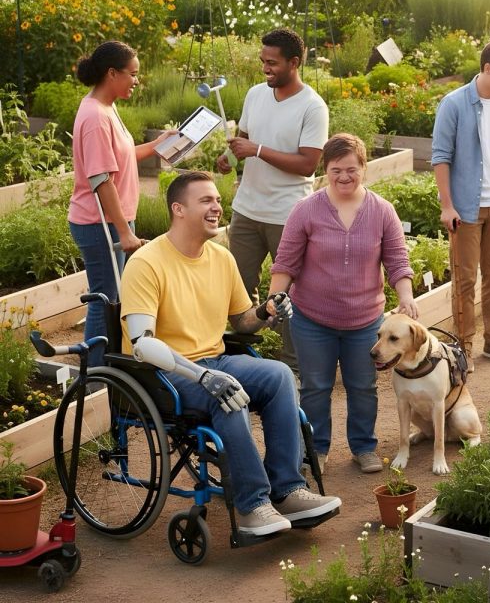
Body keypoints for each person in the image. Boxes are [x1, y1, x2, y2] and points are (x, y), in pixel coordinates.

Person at [120, 170, 342, 537]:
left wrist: (266, 311)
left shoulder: (221, 258)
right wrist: (202, 375)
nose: (217, 207)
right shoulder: (147, 262)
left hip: (216, 359)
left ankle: (288, 490)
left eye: (218, 200)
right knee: (228, 395)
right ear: (179, 209)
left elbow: (241, 321)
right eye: (206, 200)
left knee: (280, 375)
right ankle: (253, 504)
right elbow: (142, 343)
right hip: (168, 371)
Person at [269, 133, 418, 475]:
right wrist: (275, 298)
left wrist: (406, 295)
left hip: (365, 321)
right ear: (325, 170)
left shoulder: (382, 211)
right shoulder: (306, 210)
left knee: (362, 386)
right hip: (312, 319)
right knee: (316, 387)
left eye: (351, 169)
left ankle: (363, 446)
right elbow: (285, 262)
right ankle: (315, 448)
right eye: (336, 170)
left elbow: (397, 261)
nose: (344, 177)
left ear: (364, 168)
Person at [217, 28, 329, 374]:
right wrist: (229, 157)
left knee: (287, 297)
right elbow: (246, 140)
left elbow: (308, 164)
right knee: (235, 289)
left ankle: (292, 368)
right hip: (247, 211)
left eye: (273, 63)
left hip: (288, 214)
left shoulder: (312, 106)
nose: (265, 68)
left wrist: (258, 151)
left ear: (294, 63)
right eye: (263, 61)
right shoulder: (255, 95)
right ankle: (242, 358)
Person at [68, 40, 175, 365]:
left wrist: (157, 145)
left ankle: (106, 367)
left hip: (114, 221)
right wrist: (124, 233)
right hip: (98, 223)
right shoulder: (95, 118)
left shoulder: (107, 109)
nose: (136, 81)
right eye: (132, 74)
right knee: (105, 299)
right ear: (111, 73)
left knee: (112, 296)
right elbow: (101, 180)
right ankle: (96, 377)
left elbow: (121, 157)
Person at [431, 37, 490, 372]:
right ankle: (462, 346)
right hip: (465, 209)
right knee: (465, 278)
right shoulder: (454, 104)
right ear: (487, 68)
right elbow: (440, 157)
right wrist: (447, 205)